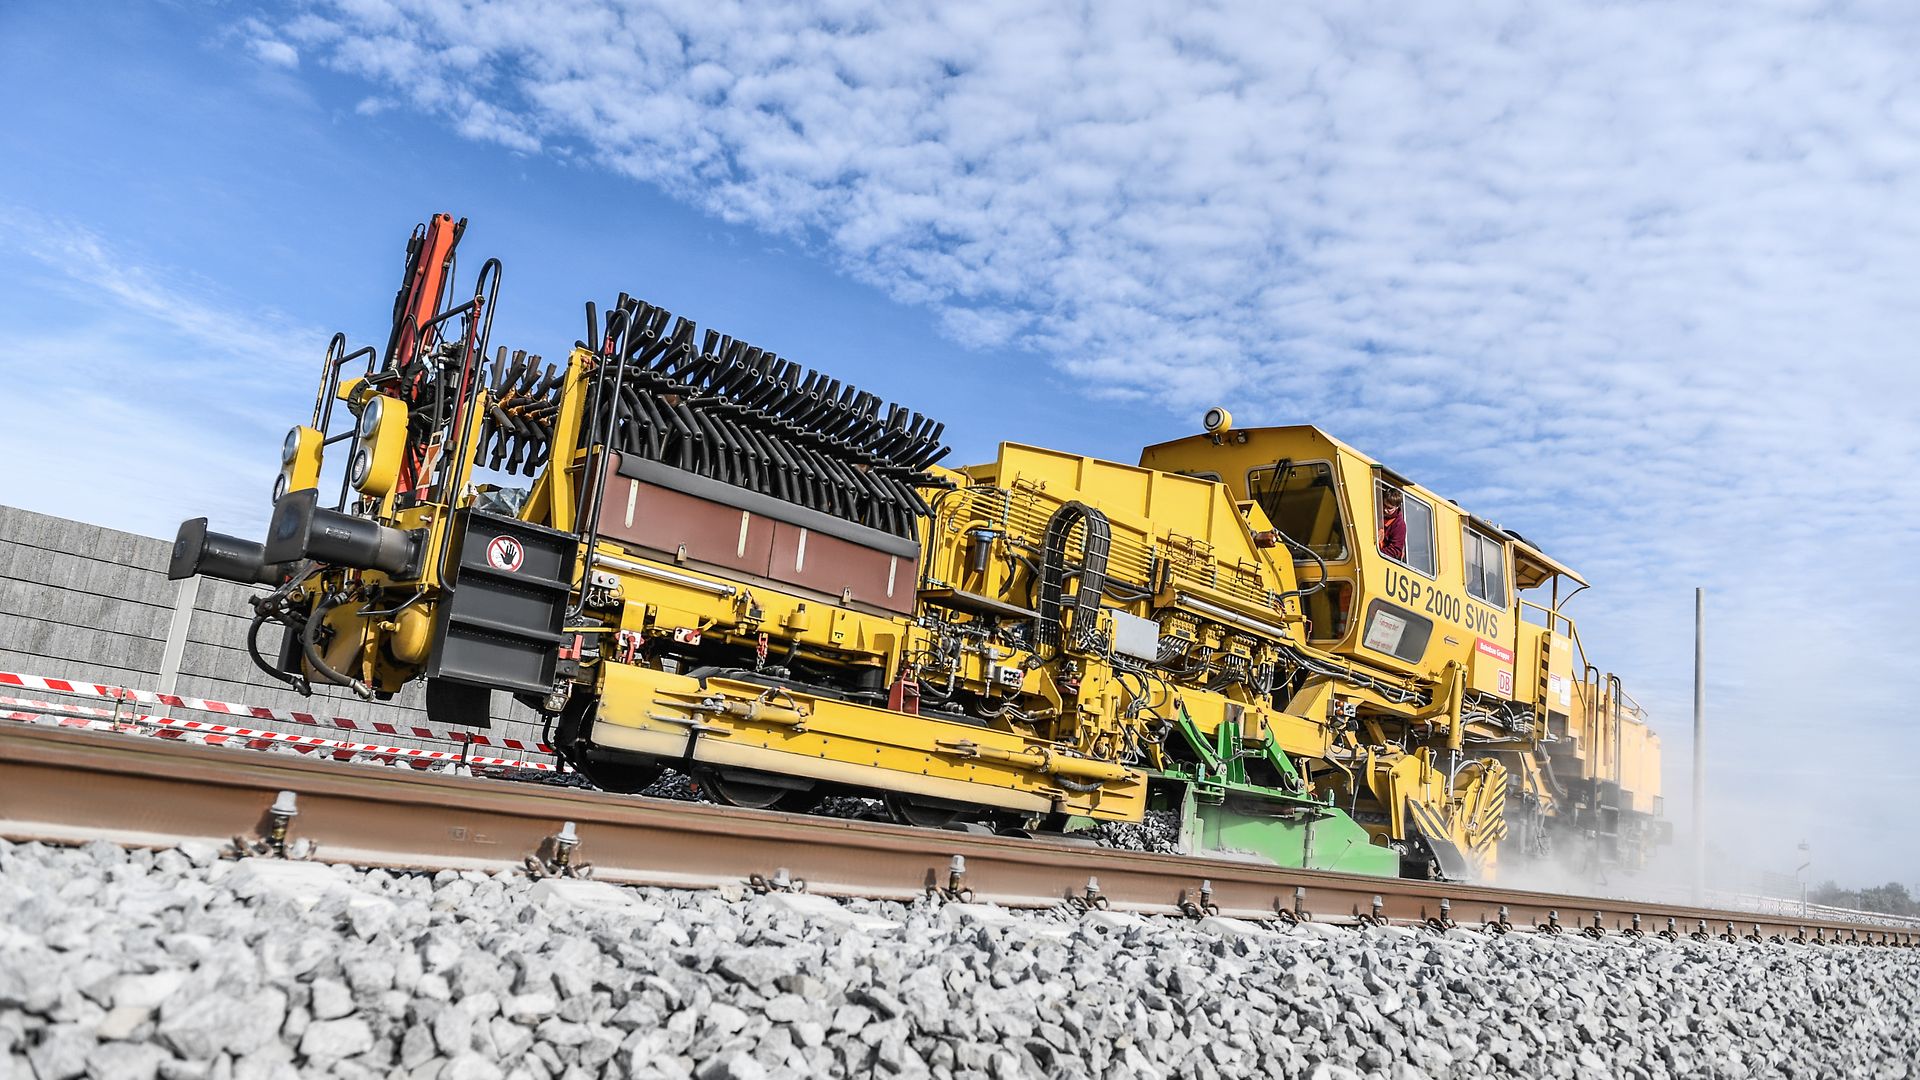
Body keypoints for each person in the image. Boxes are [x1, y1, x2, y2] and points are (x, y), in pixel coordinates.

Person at [1379, 486, 1406, 561]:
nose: (1385, 510)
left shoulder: (1399, 525)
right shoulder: (1375, 511)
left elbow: (1395, 550)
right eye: (1384, 505)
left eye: (1389, 508)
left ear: (1397, 507)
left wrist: (1376, 553)